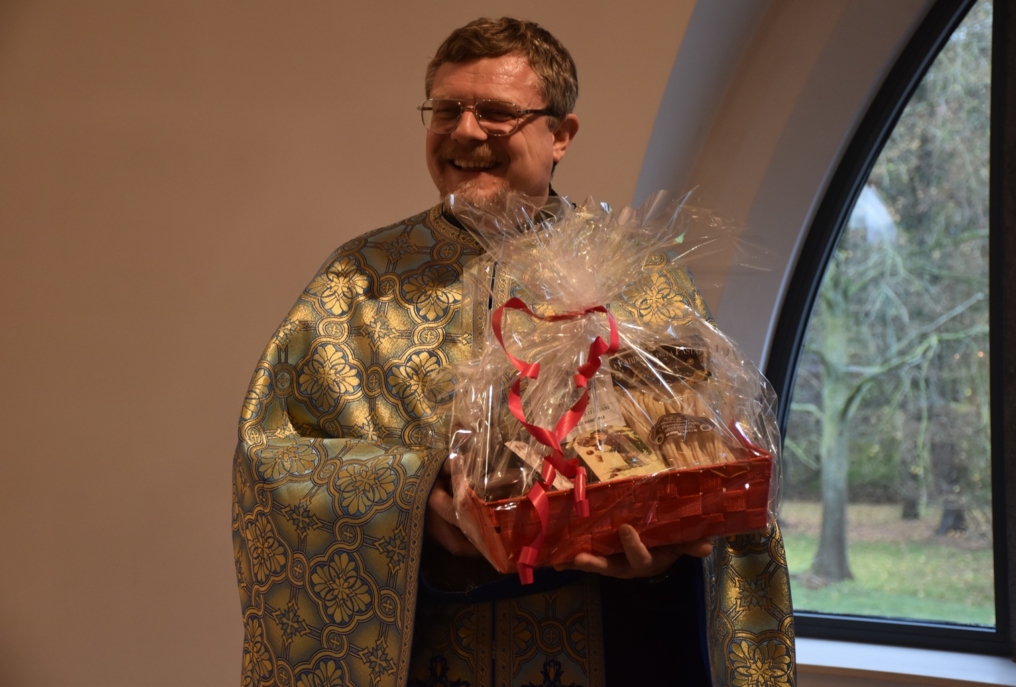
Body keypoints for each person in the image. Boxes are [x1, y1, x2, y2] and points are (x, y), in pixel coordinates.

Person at [233, 17, 795, 687]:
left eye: (497, 113)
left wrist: (663, 554)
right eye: (446, 110)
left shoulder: (641, 281)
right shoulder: (358, 281)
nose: (465, 132)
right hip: (426, 652)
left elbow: (707, 451)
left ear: (561, 134)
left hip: (597, 647)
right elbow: (272, 458)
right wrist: (414, 500)